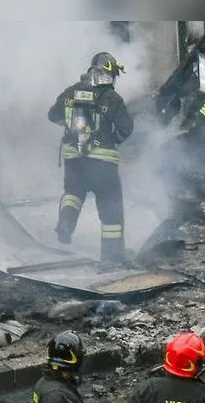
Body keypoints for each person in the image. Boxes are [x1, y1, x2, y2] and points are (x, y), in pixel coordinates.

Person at [48, 52, 134, 265]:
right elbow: (127, 128)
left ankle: (66, 225)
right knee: (110, 208)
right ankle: (111, 258)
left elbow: (53, 115)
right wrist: (112, 138)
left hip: (74, 160)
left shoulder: (71, 92)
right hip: (103, 164)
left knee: (73, 194)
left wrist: (70, 130)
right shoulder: (112, 98)